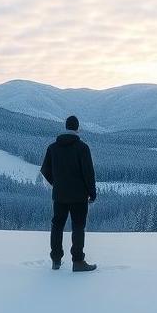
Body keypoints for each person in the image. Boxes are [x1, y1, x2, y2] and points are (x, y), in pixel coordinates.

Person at [40, 115, 97, 272]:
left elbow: (45, 171)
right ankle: (78, 261)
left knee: (57, 225)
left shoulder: (52, 148)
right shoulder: (83, 148)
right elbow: (88, 173)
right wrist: (92, 193)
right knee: (78, 226)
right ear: (78, 129)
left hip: (59, 195)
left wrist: (57, 184)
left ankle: (56, 260)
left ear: (66, 127)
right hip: (79, 196)